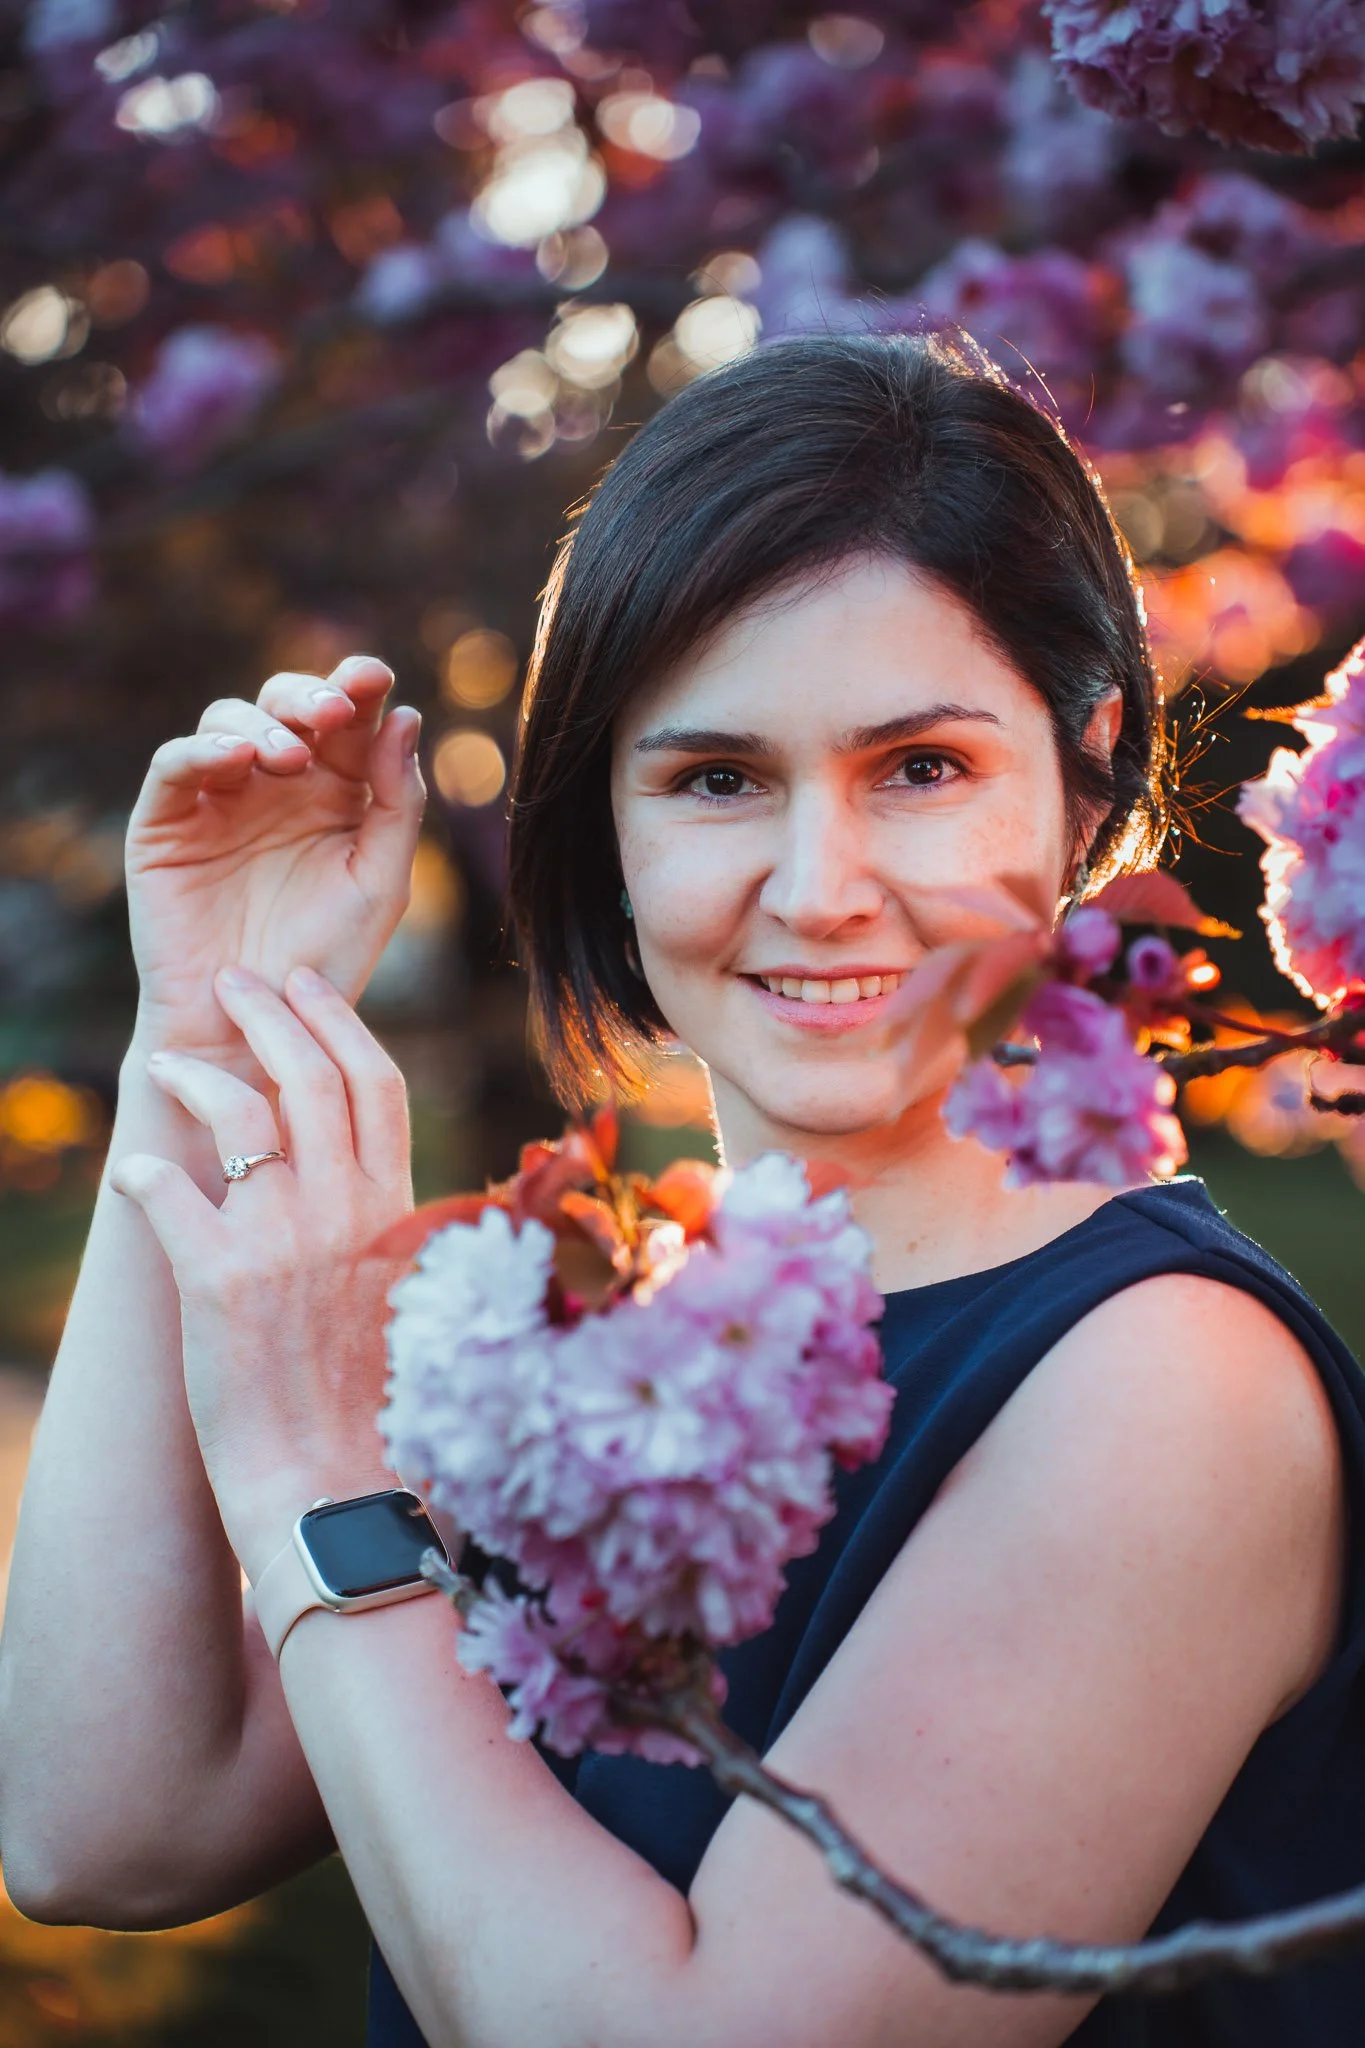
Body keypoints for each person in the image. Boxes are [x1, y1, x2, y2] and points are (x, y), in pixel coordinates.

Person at [0, 329, 1362, 2048]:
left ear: (1086, 767)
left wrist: (305, 1463)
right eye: (718, 778)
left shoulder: (1166, 1388)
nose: (820, 888)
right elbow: (101, 1824)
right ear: (609, 825)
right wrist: (200, 1025)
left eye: (921, 769)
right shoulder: (607, 1342)